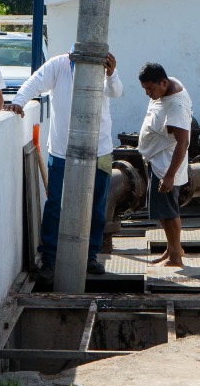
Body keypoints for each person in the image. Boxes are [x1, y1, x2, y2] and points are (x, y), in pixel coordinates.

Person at [10, 47, 122, 279]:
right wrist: (19, 101)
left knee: (97, 207)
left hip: (99, 149)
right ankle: (50, 258)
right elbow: (34, 83)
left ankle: (90, 256)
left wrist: (112, 74)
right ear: (71, 58)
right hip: (63, 150)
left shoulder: (102, 68)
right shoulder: (58, 65)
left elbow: (116, 92)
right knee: (56, 205)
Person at [137, 63, 192, 268]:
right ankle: (173, 249)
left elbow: (183, 143)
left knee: (168, 213)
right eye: (145, 89)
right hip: (157, 160)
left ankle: (175, 258)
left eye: (151, 89)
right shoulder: (167, 87)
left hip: (166, 165)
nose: (148, 93)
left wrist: (169, 175)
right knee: (163, 212)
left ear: (163, 83)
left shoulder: (176, 106)